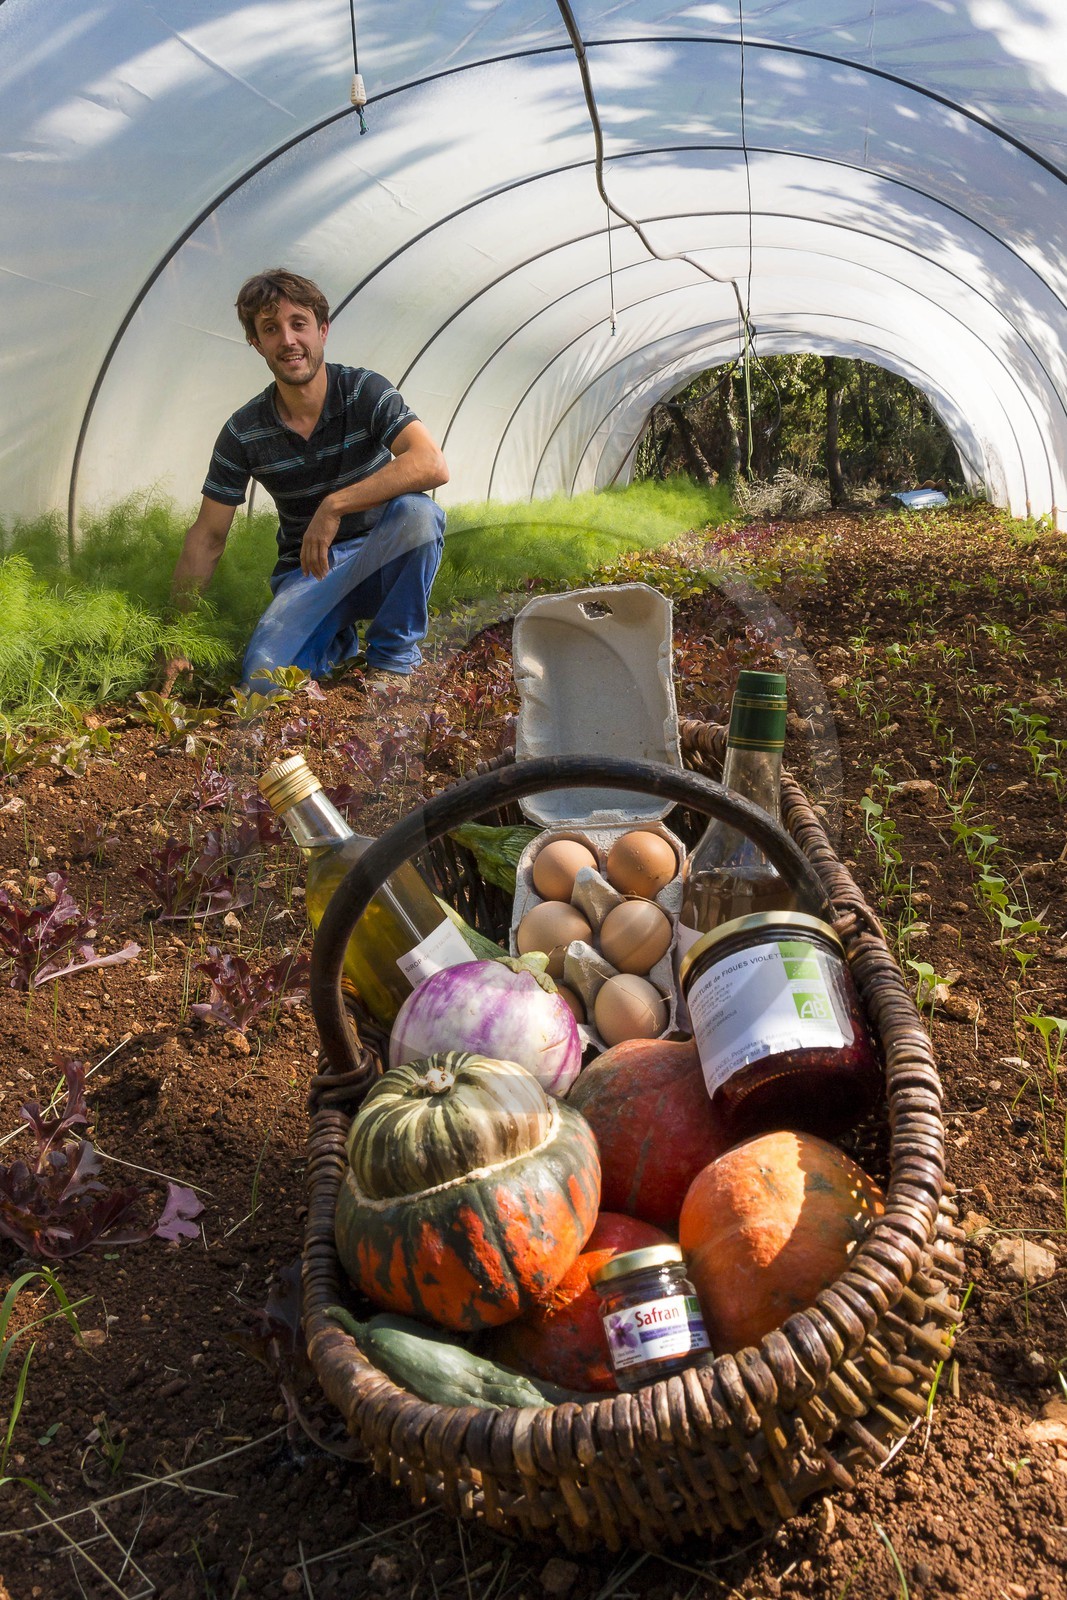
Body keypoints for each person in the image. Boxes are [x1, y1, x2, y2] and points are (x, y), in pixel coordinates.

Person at [160, 268, 449, 695]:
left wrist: (334, 506)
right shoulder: (243, 431)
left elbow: (431, 463)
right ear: (256, 343)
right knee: (263, 686)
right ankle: (335, 637)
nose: (288, 340)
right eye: (271, 329)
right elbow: (207, 536)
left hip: (381, 559)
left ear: (323, 330)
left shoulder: (362, 390)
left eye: (299, 324)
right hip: (309, 573)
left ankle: (392, 659)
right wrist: (175, 634)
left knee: (418, 514)